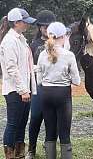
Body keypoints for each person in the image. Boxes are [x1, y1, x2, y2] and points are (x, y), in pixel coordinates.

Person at [37, 22, 80, 159]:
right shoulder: (69, 55)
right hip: (63, 95)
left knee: (50, 131)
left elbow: (39, 79)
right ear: (63, 37)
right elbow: (77, 81)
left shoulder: (42, 54)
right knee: (64, 133)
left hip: (46, 94)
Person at [0, 8, 37, 159]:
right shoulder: (9, 41)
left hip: (24, 88)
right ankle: (10, 156)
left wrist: (45, 66)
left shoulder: (21, 39)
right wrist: (23, 90)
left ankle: (19, 154)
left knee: (22, 124)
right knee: (13, 124)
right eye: (25, 22)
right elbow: (11, 68)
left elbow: (25, 65)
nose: (27, 25)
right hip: (15, 90)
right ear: (16, 23)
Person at [26, 10, 56, 159]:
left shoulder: (59, 44)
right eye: (43, 26)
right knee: (36, 117)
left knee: (52, 119)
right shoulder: (33, 45)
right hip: (38, 86)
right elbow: (29, 67)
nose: (45, 28)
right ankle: (31, 149)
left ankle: (49, 147)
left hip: (54, 86)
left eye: (48, 25)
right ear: (39, 27)